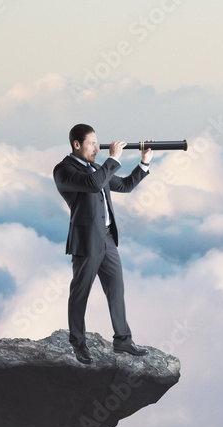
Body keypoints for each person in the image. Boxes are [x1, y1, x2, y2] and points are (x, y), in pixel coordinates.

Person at [53, 124, 152, 363]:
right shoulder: (63, 170)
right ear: (76, 145)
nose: (97, 148)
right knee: (80, 293)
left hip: (107, 238)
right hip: (86, 241)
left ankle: (123, 340)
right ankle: (78, 343)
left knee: (116, 288)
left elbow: (126, 185)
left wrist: (144, 162)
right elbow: (93, 184)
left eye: (98, 143)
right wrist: (113, 159)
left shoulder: (97, 168)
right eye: (92, 143)